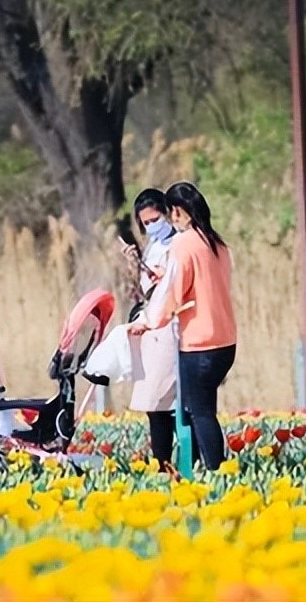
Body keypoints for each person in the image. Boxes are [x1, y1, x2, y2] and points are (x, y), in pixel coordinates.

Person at [128, 181, 237, 471]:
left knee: (200, 413)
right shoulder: (218, 243)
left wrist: (149, 321)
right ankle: (211, 467)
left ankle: (216, 471)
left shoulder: (183, 243)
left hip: (198, 342)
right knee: (205, 409)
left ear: (176, 211)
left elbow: (171, 293)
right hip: (225, 339)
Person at [120, 188, 188, 473]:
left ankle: (189, 462)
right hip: (152, 325)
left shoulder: (182, 242)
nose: (151, 226)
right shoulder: (153, 245)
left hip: (173, 325)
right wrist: (134, 265)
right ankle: (162, 463)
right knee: (154, 402)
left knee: (177, 402)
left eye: (155, 219)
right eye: (145, 223)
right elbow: (142, 291)